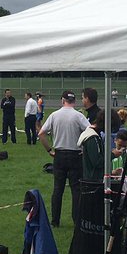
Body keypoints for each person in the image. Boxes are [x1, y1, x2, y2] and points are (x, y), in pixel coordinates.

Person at [38, 90, 88, 228]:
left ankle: (55, 221)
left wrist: (49, 150)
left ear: (62, 100)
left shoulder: (54, 115)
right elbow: (90, 132)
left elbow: (41, 133)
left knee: (58, 189)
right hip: (75, 155)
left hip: (59, 154)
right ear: (74, 101)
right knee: (76, 190)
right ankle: (76, 220)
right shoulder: (78, 116)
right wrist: (84, 149)